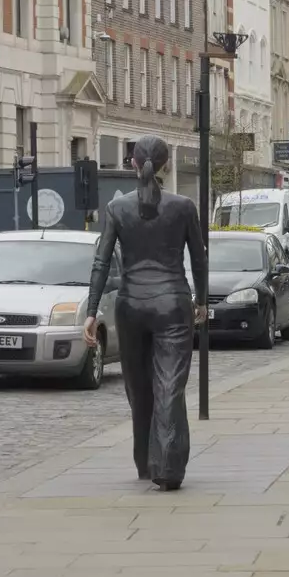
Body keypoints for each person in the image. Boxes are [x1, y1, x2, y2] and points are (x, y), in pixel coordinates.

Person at [86, 136, 208, 491]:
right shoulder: (183, 207)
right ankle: (167, 464)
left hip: (131, 305)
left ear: (135, 165)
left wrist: (91, 312)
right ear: (166, 165)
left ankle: (144, 459)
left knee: (138, 388)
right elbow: (198, 259)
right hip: (172, 302)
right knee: (169, 384)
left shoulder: (118, 209)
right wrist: (201, 300)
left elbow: (101, 262)